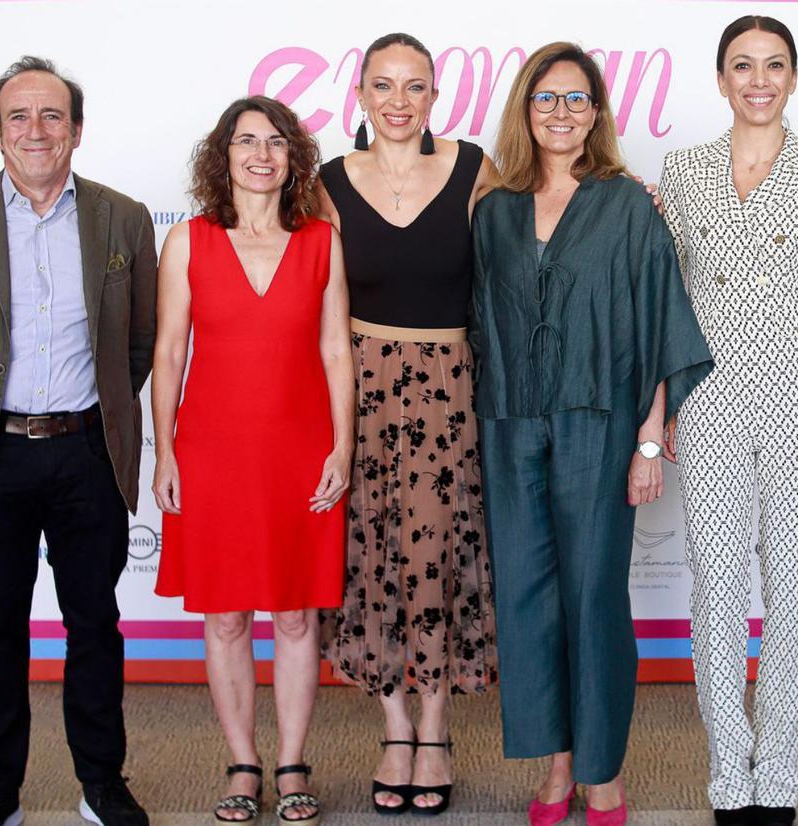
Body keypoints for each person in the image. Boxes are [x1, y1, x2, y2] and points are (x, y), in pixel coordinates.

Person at [0, 57, 156, 826]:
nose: (36, 131)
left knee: (95, 625)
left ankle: (102, 784)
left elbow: (138, 340)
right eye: (19, 116)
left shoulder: (122, 217)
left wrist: (95, 412)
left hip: (86, 452)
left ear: (76, 129)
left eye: (52, 116)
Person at [473, 41, 714, 826]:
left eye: (577, 100)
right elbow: (480, 325)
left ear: (598, 113)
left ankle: (604, 773)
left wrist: (650, 440)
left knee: (595, 599)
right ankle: (557, 768)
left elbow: (656, 325)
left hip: (601, 428)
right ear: (525, 109)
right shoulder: (496, 210)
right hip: (511, 427)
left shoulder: (627, 203)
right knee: (529, 602)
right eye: (547, 99)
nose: (562, 113)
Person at [659, 16, 798, 826]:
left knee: (793, 592)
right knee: (715, 590)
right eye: (742, 65)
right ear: (719, 79)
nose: (758, 79)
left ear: (794, 76)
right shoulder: (682, 171)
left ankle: (778, 774)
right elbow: (665, 297)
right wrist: (667, 400)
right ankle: (728, 776)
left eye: (773, 65)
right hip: (707, 401)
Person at [150, 96, 353, 824]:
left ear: (293, 158)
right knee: (227, 617)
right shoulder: (188, 243)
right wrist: (165, 450)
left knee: (297, 616)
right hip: (212, 452)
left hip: (300, 449)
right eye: (246, 142)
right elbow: (169, 351)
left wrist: (343, 446)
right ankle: (242, 764)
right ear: (223, 154)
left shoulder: (322, 242)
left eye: (275, 142)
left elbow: (337, 351)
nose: (261, 155)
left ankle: (293, 764)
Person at [316, 32, 498, 817]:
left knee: (435, 555)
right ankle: (393, 724)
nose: (398, 102)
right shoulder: (327, 181)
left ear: (435, 95)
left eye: (413, 86)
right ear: (358, 96)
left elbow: (527, 251)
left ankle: (435, 723)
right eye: (383, 86)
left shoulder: (472, 167)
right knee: (369, 555)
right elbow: (310, 300)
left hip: (448, 393)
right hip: (358, 389)